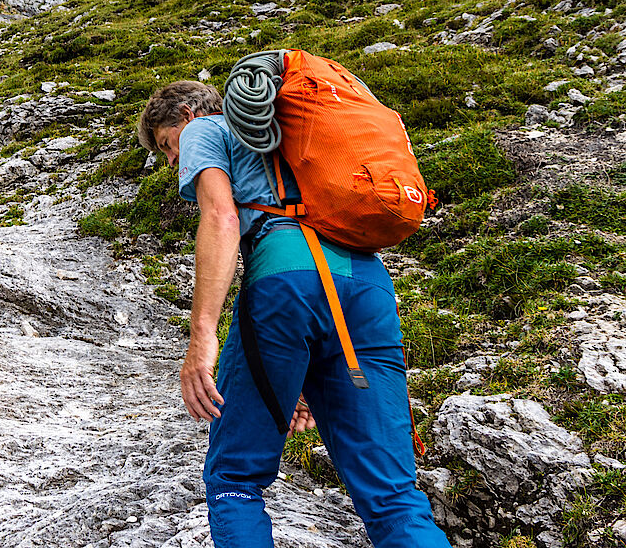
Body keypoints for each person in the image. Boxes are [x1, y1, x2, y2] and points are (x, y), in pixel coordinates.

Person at [136, 80, 452, 548]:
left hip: (285, 276)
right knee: (393, 495)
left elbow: (222, 218)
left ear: (185, 115)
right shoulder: (293, 137)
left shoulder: (205, 128)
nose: (171, 161)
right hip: (366, 289)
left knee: (234, 480)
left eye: (166, 145)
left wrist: (202, 335)